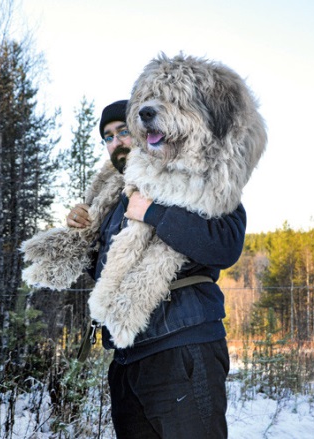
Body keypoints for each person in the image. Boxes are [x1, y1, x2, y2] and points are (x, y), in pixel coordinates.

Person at [66, 100, 246, 439]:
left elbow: (225, 243)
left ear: (147, 132)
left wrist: (153, 213)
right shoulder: (114, 199)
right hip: (126, 355)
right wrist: (84, 234)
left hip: (181, 347)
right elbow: (107, 272)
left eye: (123, 131)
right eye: (108, 137)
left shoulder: (198, 175)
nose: (116, 142)